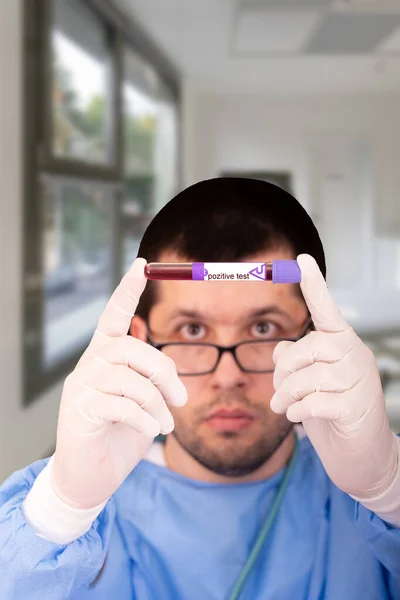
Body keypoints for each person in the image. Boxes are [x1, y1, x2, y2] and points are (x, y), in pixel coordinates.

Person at [0, 177, 399, 600]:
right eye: (191, 330)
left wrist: (391, 488)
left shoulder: (369, 501)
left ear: (313, 337)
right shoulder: (73, 518)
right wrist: (59, 512)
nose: (227, 378)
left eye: (264, 328)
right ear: (142, 341)